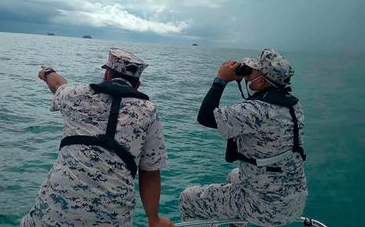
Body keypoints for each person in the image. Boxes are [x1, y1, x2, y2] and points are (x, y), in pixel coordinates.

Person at [21, 48, 173, 227]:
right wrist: (154, 219)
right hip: (113, 218)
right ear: (137, 84)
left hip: (53, 210)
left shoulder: (75, 95)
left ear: (106, 74)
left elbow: (57, 85)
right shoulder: (148, 112)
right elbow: (150, 172)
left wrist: (48, 72)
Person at [179, 49, 308, 226]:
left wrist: (221, 80)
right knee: (234, 175)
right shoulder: (294, 106)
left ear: (261, 81)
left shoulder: (256, 111)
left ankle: (244, 211)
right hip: (294, 200)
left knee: (189, 198)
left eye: (251, 71)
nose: (247, 74)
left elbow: (205, 117)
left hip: (266, 208)